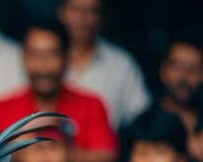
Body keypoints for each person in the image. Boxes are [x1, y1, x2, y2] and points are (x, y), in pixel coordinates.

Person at [0, 20, 118, 162]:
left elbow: (107, 159)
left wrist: (64, 154)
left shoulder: (91, 104)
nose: (43, 65)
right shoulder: (0, 108)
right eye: (35, 54)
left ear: (67, 58)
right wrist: (21, 145)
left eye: (52, 54)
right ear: (23, 58)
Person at [56, 0, 150, 128]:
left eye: (91, 10)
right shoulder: (41, 61)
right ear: (61, 13)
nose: (82, 17)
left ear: (103, 17)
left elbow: (141, 119)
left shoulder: (122, 65)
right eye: (75, 9)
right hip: (44, 146)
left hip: (109, 146)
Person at [152, 35, 203, 162]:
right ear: (164, 70)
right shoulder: (146, 120)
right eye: (177, 66)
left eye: (192, 69)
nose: (183, 76)